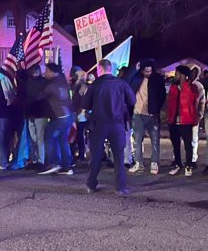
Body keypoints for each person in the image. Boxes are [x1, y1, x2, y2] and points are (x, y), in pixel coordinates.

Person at [83, 59, 136, 196]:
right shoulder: (121, 84)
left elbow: (85, 104)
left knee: (96, 155)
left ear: (100, 69)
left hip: (99, 125)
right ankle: (120, 187)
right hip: (117, 124)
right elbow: (132, 100)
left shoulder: (95, 85)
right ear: (110, 69)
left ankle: (91, 184)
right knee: (119, 156)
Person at [128, 59, 166, 174]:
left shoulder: (157, 79)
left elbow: (162, 95)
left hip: (152, 114)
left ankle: (154, 163)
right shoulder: (136, 78)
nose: (148, 73)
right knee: (137, 140)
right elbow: (128, 87)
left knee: (155, 140)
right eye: (146, 71)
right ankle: (139, 163)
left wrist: (157, 109)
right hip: (137, 113)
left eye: (150, 71)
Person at [39, 62, 74, 175]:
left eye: (47, 71)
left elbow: (39, 97)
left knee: (48, 135)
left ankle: (52, 163)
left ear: (53, 72)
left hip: (60, 116)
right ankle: (66, 166)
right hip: (68, 115)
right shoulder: (62, 81)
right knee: (63, 140)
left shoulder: (52, 85)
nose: (45, 73)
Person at [167, 65, 200, 176]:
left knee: (188, 144)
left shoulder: (192, 87)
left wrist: (185, 84)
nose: (175, 75)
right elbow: (170, 103)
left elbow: (193, 98)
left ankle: (188, 165)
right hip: (173, 121)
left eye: (177, 73)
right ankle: (177, 164)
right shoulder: (173, 87)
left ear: (182, 75)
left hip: (186, 121)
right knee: (175, 144)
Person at [0, 66, 18, 170]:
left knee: (0, 140)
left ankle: (3, 162)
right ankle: (5, 159)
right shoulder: (7, 87)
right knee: (6, 140)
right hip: (8, 116)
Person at [23, 65, 49, 170]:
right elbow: (24, 97)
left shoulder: (44, 82)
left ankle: (41, 161)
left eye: (36, 70)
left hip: (41, 113)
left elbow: (45, 98)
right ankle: (34, 159)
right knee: (33, 138)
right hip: (30, 113)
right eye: (32, 70)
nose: (34, 72)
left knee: (40, 138)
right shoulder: (27, 82)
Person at [71, 67, 90, 164]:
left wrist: (78, 111)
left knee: (80, 135)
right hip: (77, 113)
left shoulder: (82, 86)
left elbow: (81, 100)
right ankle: (78, 154)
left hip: (81, 115)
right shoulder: (77, 85)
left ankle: (81, 154)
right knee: (77, 135)